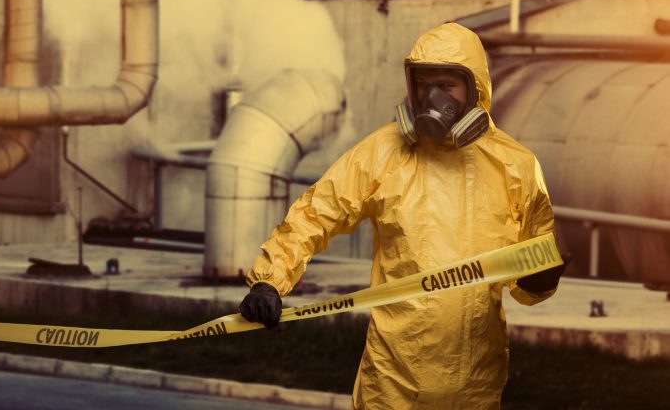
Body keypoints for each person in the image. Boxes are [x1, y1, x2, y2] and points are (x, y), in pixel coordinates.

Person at [239, 22, 570, 409]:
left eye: (446, 86)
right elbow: (317, 213)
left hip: (476, 386)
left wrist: (539, 278)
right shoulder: (381, 155)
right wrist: (269, 281)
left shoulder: (514, 166)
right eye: (424, 84)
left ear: (476, 89)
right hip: (393, 385)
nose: (432, 97)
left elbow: (533, 264)